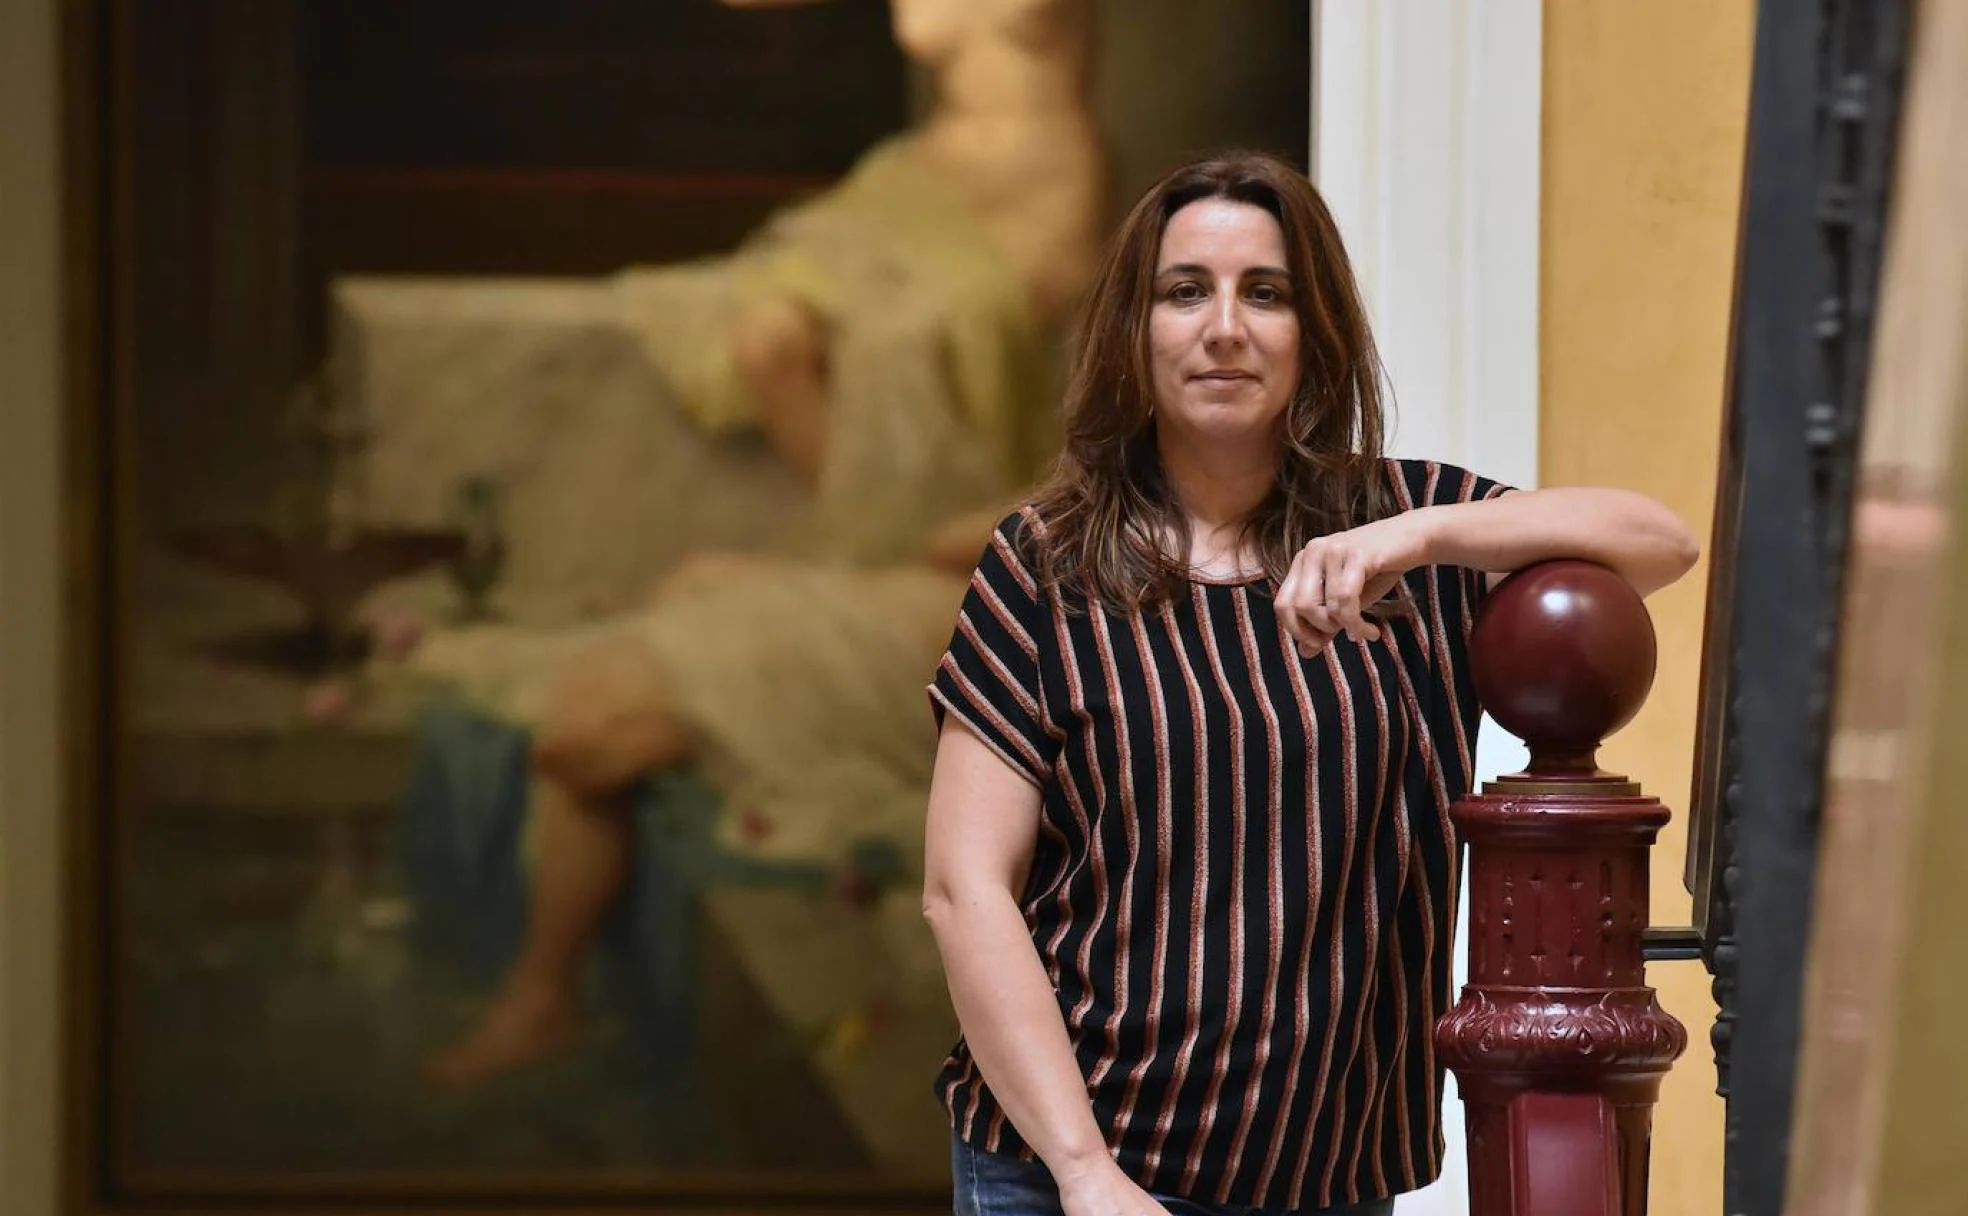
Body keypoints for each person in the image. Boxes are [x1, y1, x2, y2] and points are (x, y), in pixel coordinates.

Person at [919, 153, 1700, 1216]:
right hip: (1072, 1172)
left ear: (1313, 332)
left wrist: (1427, 534)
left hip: (1325, 1183)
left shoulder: (1406, 544)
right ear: (1133, 330)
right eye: (1185, 290)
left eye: (1267, 292)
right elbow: (966, 890)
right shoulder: (1048, 565)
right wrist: (1083, 1170)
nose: (1225, 326)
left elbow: (1661, 543)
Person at [409, 0, 1102, 1089]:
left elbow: (1073, 490)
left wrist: (976, 529)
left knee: (590, 715)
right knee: (646, 629)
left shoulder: (1066, 206)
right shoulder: (966, 187)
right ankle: (544, 996)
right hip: (921, 567)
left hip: (979, 601)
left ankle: (543, 996)